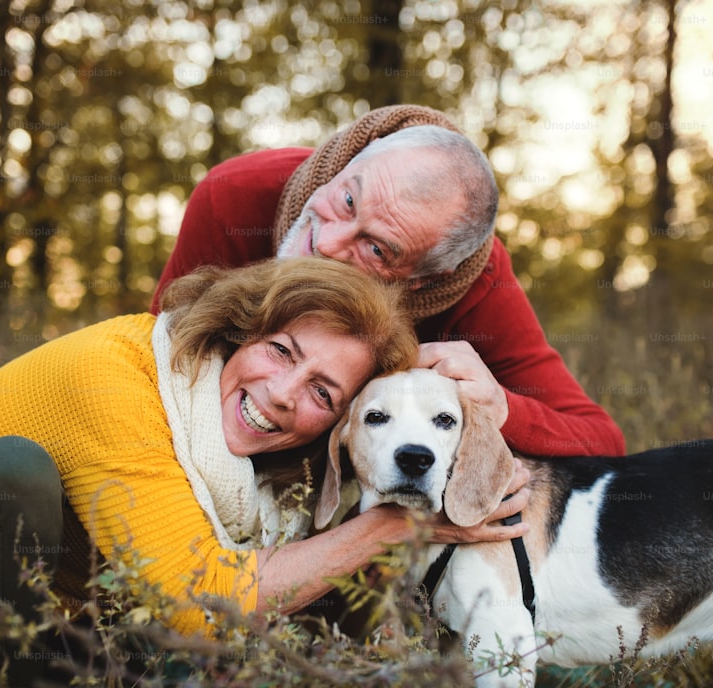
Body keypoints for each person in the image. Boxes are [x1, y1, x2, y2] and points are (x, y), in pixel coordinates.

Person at [0, 258, 531, 688]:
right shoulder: (113, 375)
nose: (280, 394)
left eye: (322, 391)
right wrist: (393, 522)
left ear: (339, 427)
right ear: (240, 327)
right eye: (281, 350)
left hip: (15, 625)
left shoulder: (267, 482)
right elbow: (197, 606)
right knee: (12, 475)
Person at [152, 104, 625, 458]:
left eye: (377, 250)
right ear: (351, 160)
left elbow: (600, 438)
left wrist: (501, 408)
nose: (328, 243)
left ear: (424, 279)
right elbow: (157, 360)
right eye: (348, 201)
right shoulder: (234, 196)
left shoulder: (476, 280)